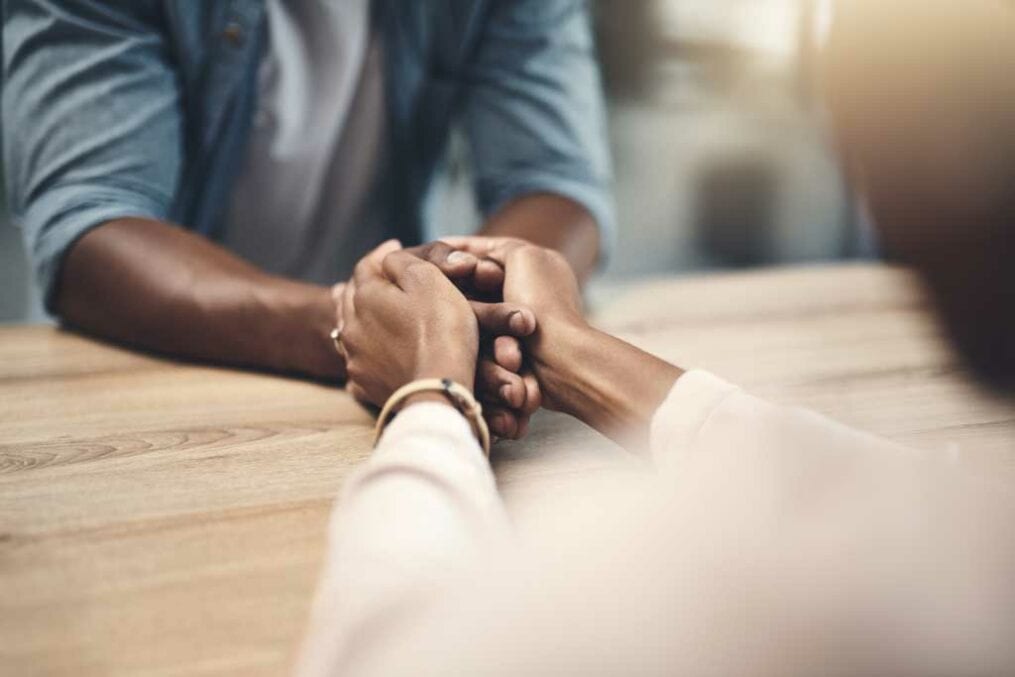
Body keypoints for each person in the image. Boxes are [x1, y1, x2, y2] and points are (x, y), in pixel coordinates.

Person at [294, 1, 1015, 674]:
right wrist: (569, 349)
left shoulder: (668, 568)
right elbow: (898, 495)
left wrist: (433, 394)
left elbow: (387, 655)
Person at [0, 0, 612, 392]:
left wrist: (479, 308)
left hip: (380, 387)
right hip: (143, 381)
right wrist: (357, 323)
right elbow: (94, 225)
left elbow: (554, 178)